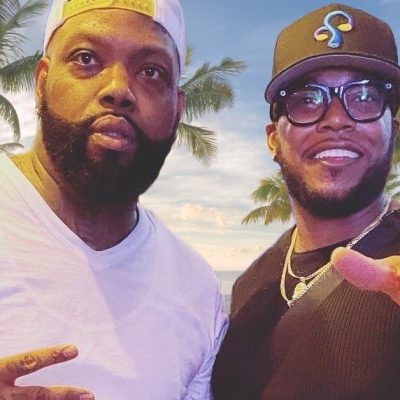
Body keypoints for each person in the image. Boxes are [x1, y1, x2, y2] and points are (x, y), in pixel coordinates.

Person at [0, 0, 227, 398]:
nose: (118, 89)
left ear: (177, 109)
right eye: (86, 59)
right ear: (42, 81)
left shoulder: (196, 289)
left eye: (151, 72)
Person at [212, 3, 400, 400]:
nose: (337, 119)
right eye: (307, 100)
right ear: (273, 139)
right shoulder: (251, 286)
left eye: (365, 97)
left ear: (393, 130)